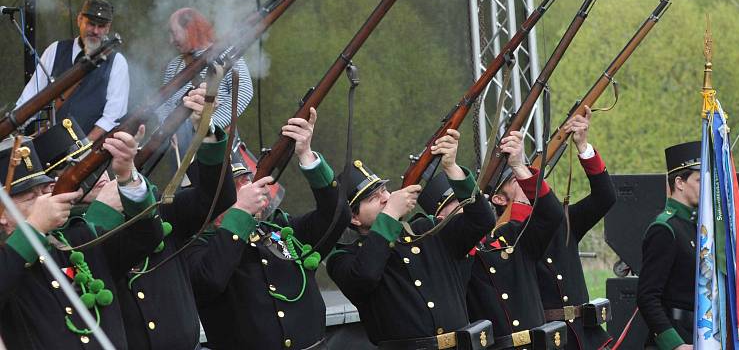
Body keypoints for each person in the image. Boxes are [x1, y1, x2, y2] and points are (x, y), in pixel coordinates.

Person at [83, 84, 237, 350]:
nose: (100, 178)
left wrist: (206, 131)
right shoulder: (74, 237)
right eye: (87, 171)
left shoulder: (159, 210)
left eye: (103, 167)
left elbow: (216, 198)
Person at [186, 107, 349, 350]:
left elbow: (337, 215)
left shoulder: (281, 229)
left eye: (247, 179)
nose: (251, 187)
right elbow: (210, 280)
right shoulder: (195, 248)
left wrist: (306, 155)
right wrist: (239, 213)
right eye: (238, 184)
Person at [327, 129, 496, 349]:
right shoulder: (345, 258)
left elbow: (482, 221)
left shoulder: (428, 229)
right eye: (372, 198)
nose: (385, 198)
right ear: (354, 218)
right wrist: (389, 216)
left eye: (384, 190)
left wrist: (452, 168)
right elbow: (365, 276)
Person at [0, 130, 163, 348]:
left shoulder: (78, 238)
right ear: (2, 215)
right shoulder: (7, 263)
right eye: (30, 197)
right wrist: (34, 228)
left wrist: (127, 175)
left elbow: (146, 237)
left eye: (44, 191)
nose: (44, 201)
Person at [464, 131, 567, 350]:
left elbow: (551, 214)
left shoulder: (512, 236)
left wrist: (520, 167)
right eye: (514, 181)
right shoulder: (460, 253)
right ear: (497, 198)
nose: (522, 184)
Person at [535, 107, 616, 350]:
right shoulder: (506, 234)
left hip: (584, 337)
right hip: (545, 339)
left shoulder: (562, 222)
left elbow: (605, 197)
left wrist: (583, 146)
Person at [16, 0, 129, 141]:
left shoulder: (117, 62)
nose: (95, 31)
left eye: (101, 26)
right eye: (91, 24)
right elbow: (30, 97)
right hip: (49, 147)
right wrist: (12, 130)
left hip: (89, 155)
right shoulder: (55, 49)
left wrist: (85, 146)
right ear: (79, 20)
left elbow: (113, 115)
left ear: (108, 28)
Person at [157, 8, 253, 163]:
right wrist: (168, 128)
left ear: (190, 29)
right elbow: (163, 103)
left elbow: (243, 93)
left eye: (174, 33)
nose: (171, 40)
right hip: (182, 150)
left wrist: (210, 125)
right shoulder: (174, 66)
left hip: (217, 142)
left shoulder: (225, 54)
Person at [637, 141, 701, 350]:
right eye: (699, 180)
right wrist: (675, 344)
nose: (705, 187)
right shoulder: (665, 228)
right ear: (680, 182)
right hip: (678, 339)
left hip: (700, 335)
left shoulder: (698, 226)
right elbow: (647, 297)